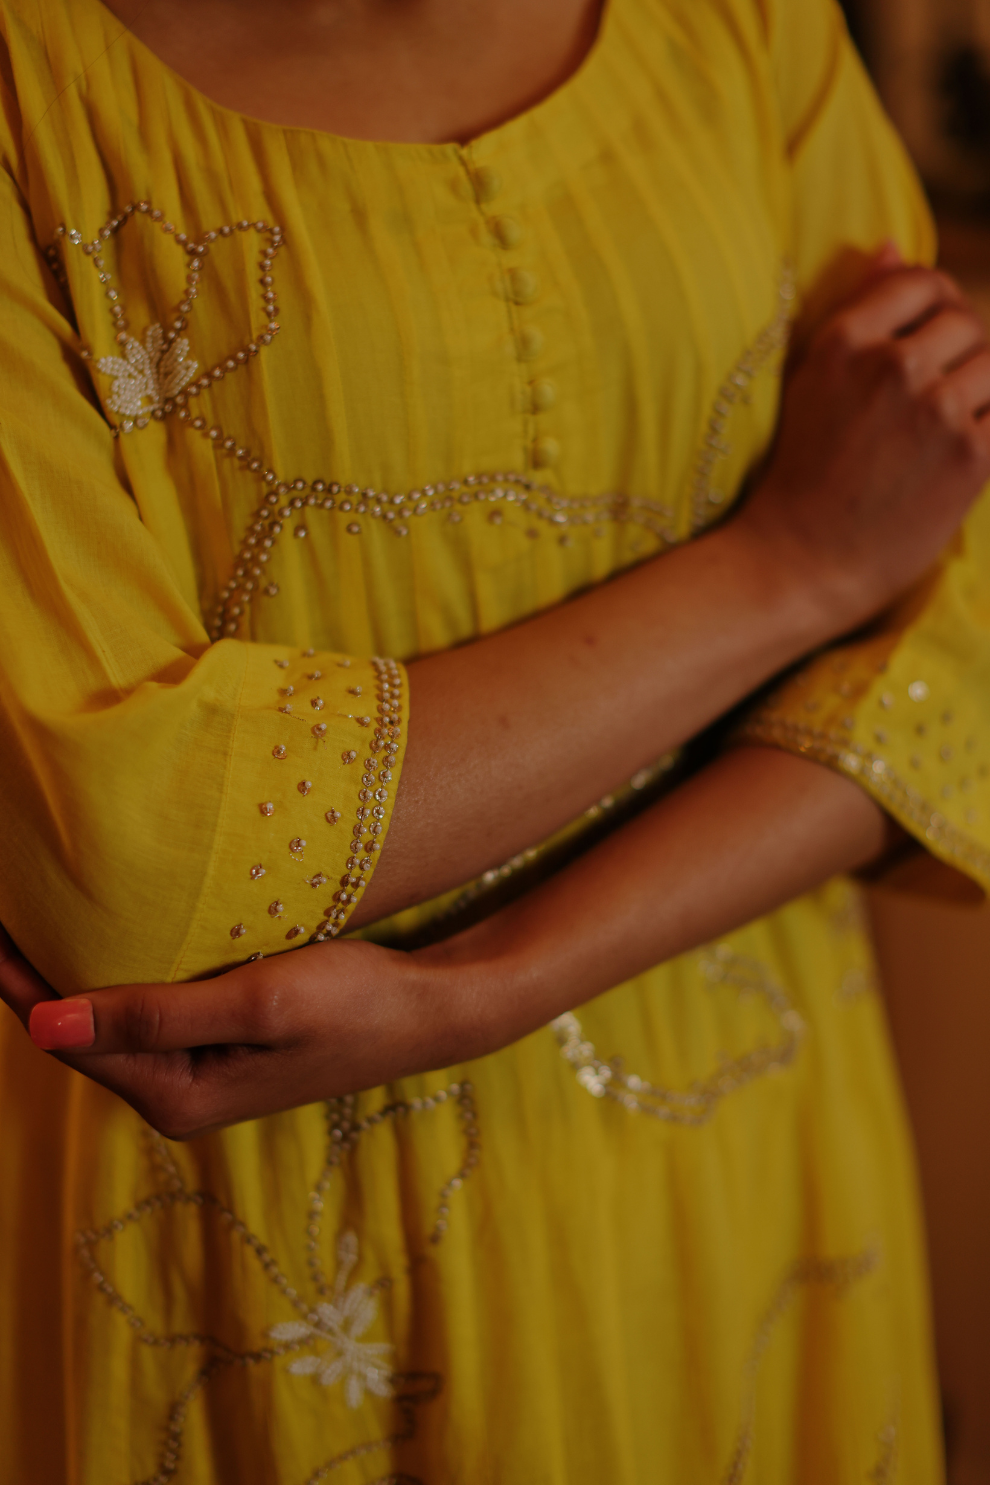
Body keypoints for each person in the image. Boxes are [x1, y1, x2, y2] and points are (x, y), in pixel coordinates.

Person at [1, 0, 988, 1478]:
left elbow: (952, 637)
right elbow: (129, 864)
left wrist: (494, 981)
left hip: (751, 1178)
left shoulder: (739, 17)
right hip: (262, 1241)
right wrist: (790, 570)